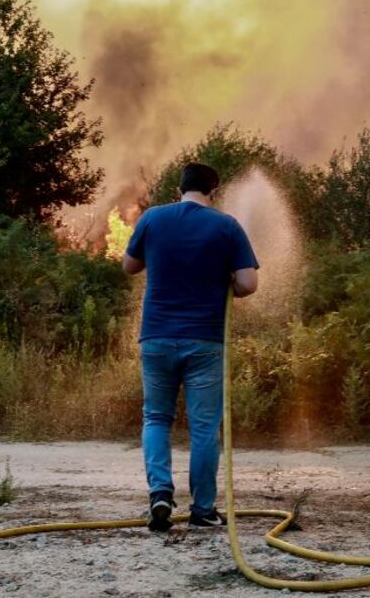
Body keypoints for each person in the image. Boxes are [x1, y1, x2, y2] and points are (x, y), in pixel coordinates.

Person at [123, 162, 259, 532]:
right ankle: (202, 511)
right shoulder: (226, 225)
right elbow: (247, 284)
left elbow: (129, 266)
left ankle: (160, 495)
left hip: (156, 338)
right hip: (204, 340)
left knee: (156, 418)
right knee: (203, 427)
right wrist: (224, 277)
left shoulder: (153, 218)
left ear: (178, 190)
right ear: (213, 191)